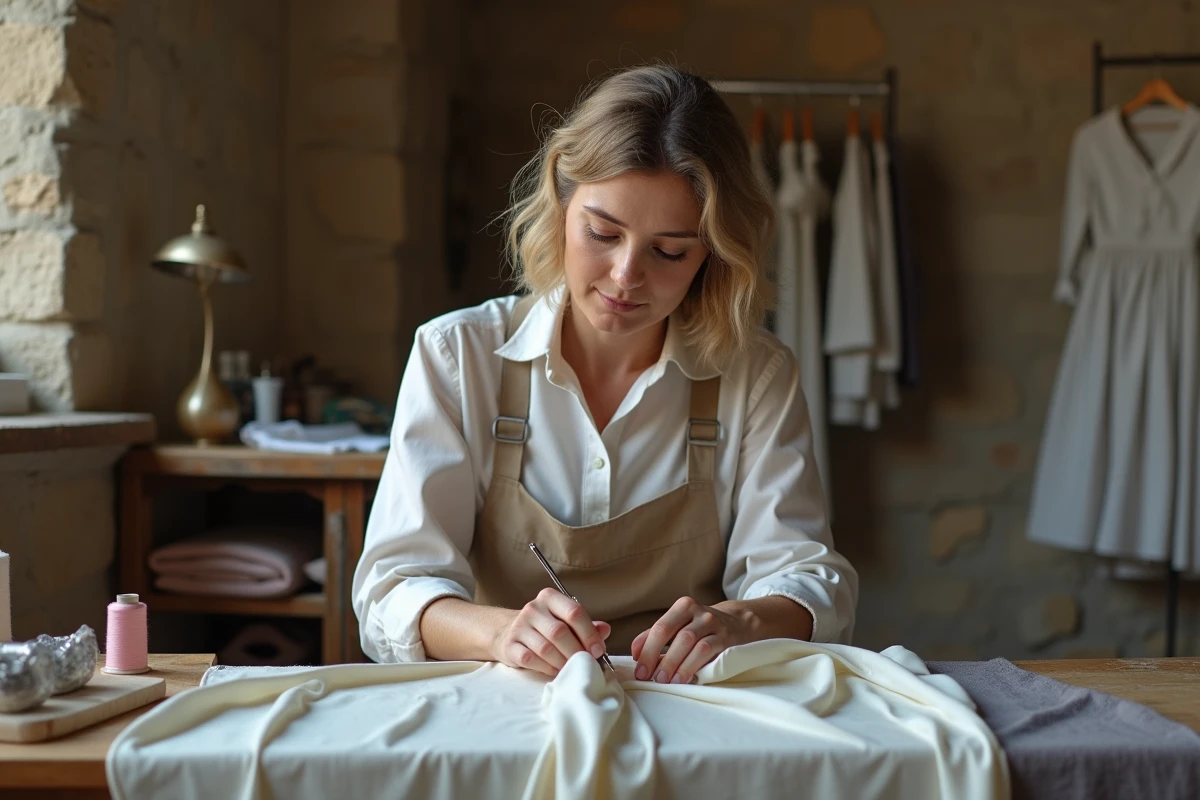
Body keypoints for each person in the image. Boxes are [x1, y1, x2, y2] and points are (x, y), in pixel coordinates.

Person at [352, 64, 857, 687]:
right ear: (561, 204)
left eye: (670, 251)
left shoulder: (756, 375)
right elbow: (391, 590)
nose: (625, 276)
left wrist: (738, 624)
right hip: (502, 702)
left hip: (687, 708)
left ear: (714, 255)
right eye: (602, 233)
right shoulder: (456, 356)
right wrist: (501, 633)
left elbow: (809, 579)